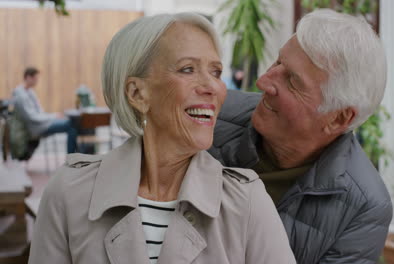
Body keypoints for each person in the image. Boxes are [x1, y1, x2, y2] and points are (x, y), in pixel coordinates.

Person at [28, 13, 295, 264]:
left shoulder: (247, 200)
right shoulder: (68, 193)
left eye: (215, 72)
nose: (213, 87)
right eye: (188, 69)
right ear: (137, 93)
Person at [209, 9, 392, 264]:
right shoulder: (213, 114)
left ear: (338, 118)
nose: (263, 81)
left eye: (292, 81)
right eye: (278, 62)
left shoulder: (363, 206)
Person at [12, 67, 77, 153]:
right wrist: (53, 116)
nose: (37, 81)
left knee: (71, 123)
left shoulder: (30, 92)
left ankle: (74, 156)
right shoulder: (20, 95)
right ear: (28, 77)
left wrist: (53, 116)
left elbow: (40, 112)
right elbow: (32, 117)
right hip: (36, 127)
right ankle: (71, 158)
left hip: (42, 123)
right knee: (71, 126)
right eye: (35, 79)